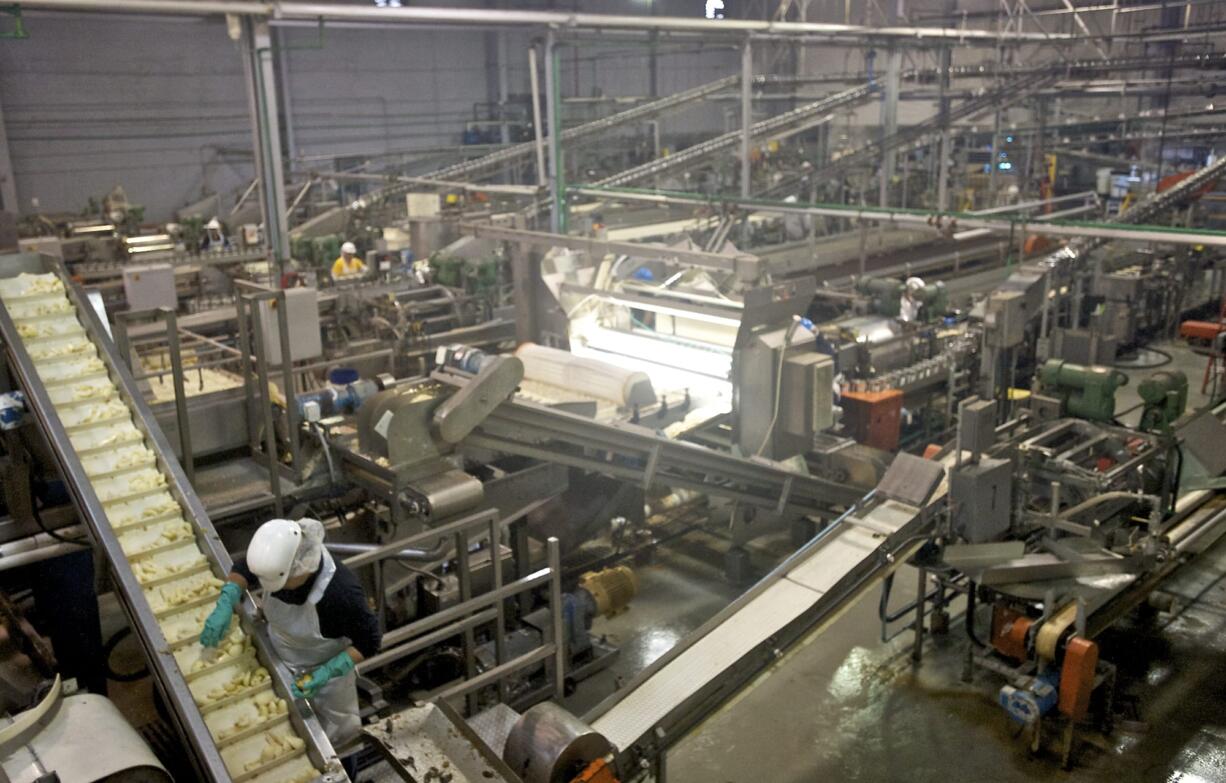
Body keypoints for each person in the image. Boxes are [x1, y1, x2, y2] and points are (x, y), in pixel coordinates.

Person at [200, 518, 380, 754]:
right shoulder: (280, 553)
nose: (271, 588)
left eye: (280, 582)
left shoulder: (340, 594)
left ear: (302, 566)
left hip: (326, 680)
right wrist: (227, 599)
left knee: (337, 740)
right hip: (281, 654)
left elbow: (370, 641)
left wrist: (325, 673)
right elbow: (244, 569)